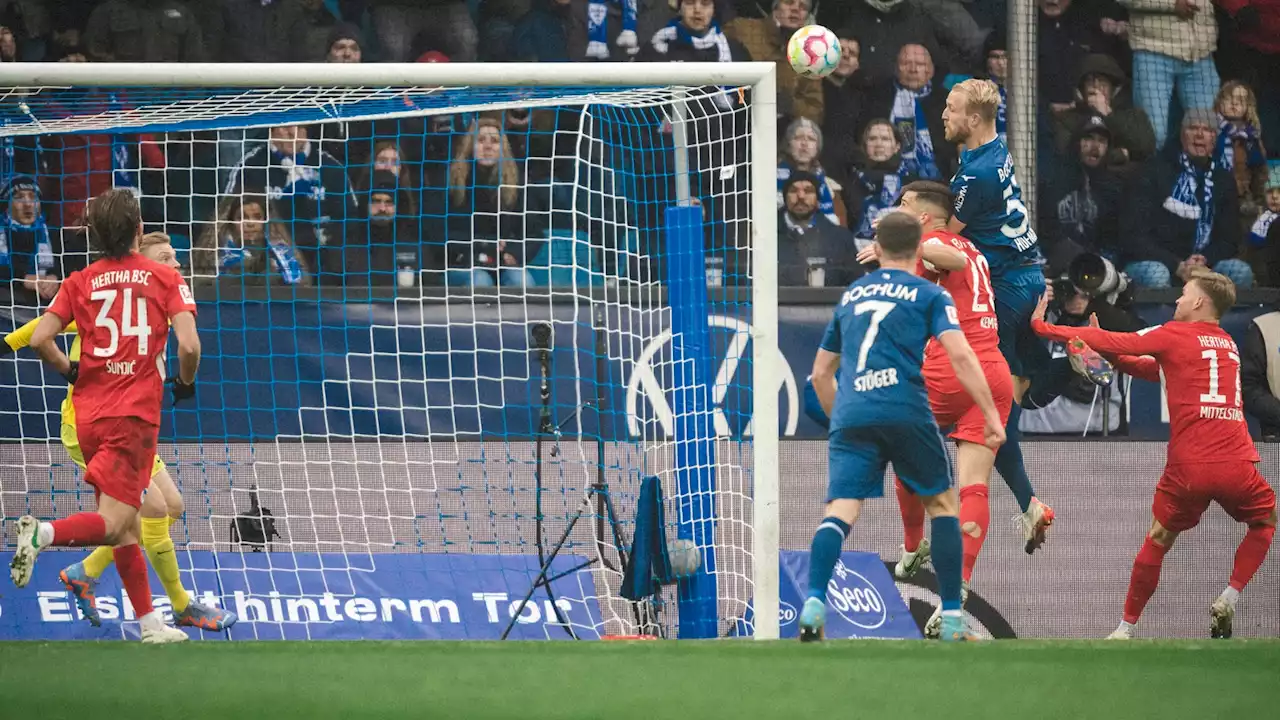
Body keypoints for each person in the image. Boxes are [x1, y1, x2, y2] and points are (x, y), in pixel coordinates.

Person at [4, 231, 236, 632]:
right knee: (152, 512)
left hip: (127, 421)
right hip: (92, 423)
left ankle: (86, 572)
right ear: (140, 262)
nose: (176, 265)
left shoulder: (157, 301)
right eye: (166, 257)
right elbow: (39, 331)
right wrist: (7, 344)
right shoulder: (112, 296)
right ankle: (177, 605)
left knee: (171, 506)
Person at [1031, 270, 1276, 638]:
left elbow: (1119, 341)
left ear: (1198, 302)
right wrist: (1107, 354)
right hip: (1238, 462)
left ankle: (1124, 629)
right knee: (1266, 521)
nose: (1176, 300)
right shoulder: (1227, 345)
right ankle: (1229, 596)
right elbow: (1154, 371)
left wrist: (1042, 327)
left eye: (1183, 294)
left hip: (1189, 466)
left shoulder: (1175, 334)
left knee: (1159, 538)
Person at [800, 211, 1005, 643]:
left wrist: (842, 420)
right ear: (918, 249)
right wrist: (989, 415)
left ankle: (815, 603)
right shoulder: (929, 294)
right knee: (944, 508)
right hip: (906, 408)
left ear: (879, 246)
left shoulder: (852, 294)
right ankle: (951, 620)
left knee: (840, 511)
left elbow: (820, 374)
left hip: (854, 411)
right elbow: (962, 357)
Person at [854, 182, 1014, 638]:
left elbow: (949, 259)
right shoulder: (974, 248)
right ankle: (957, 589)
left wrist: (900, 244)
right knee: (974, 486)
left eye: (904, 205)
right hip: (993, 370)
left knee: (905, 450)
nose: (897, 209)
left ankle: (913, 545)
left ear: (925, 218)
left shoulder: (941, 243)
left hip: (953, 365)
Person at [943, 78, 1056, 552]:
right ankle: (1055, 364)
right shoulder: (994, 150)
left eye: (951, 109)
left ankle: (1028, 505)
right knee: (1003, 397)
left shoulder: (974, 177)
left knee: (991, 412)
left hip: (1006, 288)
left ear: (973, 120)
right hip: (1026, 276)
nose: (944, 115)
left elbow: (945, 241)